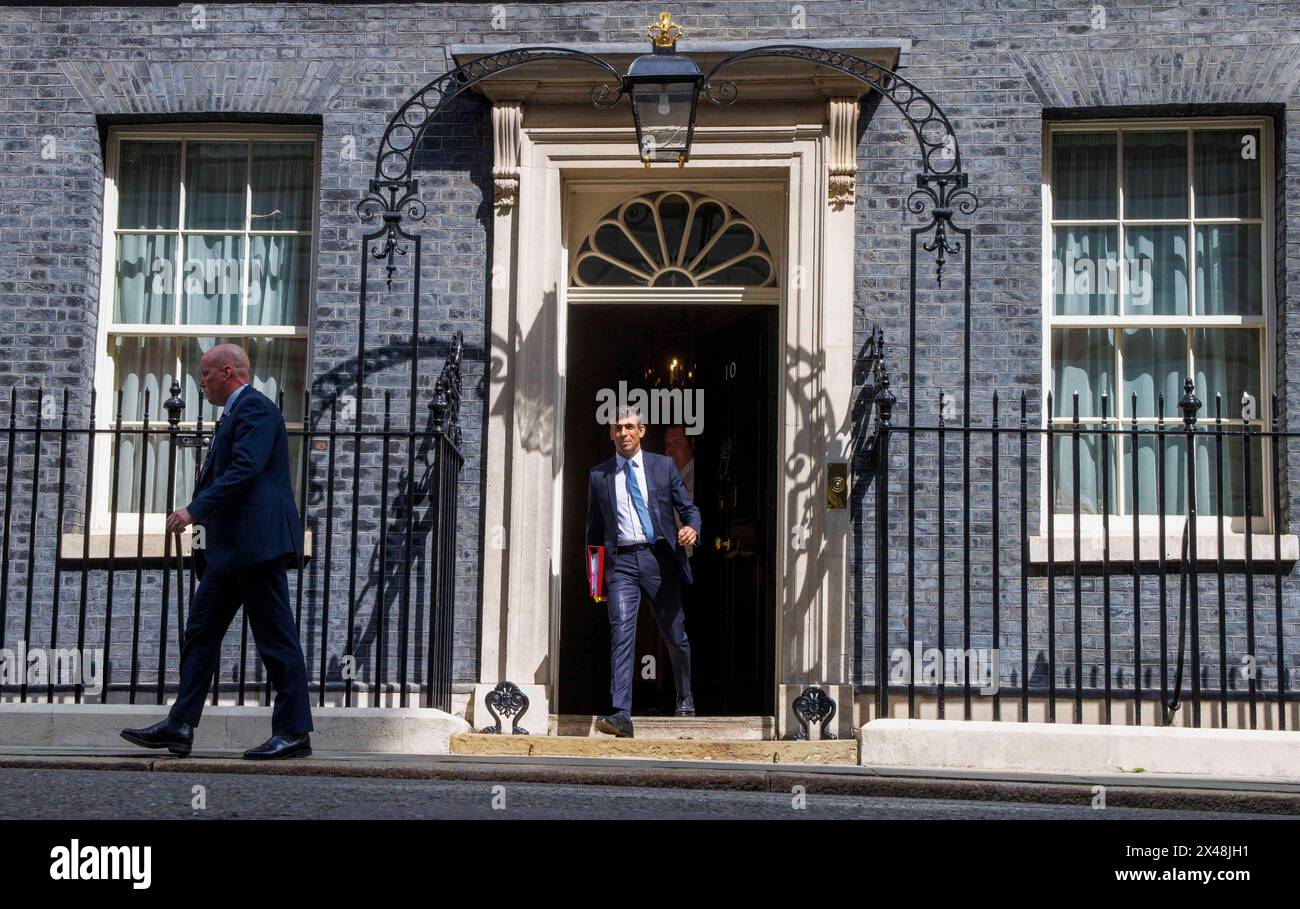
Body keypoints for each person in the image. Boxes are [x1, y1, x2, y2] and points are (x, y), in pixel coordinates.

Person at [120, 343, 313, 760]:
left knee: (276, 639)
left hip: (256, 546)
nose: (201, 382)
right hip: (229, 551)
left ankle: (295, 732)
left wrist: (194, 510)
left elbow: (245, 470)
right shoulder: (234, 414)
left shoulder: (256, 410)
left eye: (206, 375)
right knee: (201, 634)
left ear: (228, 372)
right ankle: (181, 724)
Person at [586, 405, 701, 737]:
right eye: (617, 428)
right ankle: (622, 713)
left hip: (659, 559)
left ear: (641, 431)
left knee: (675, 636)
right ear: (611, 433)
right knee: (622, 631)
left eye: (628, 427)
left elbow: (689, 508)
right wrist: (596, 582)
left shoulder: (663, 467)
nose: (623, 433)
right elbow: (593, 534)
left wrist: (692, 527)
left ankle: (685, 694)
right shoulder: (599, 475)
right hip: (621, 562)